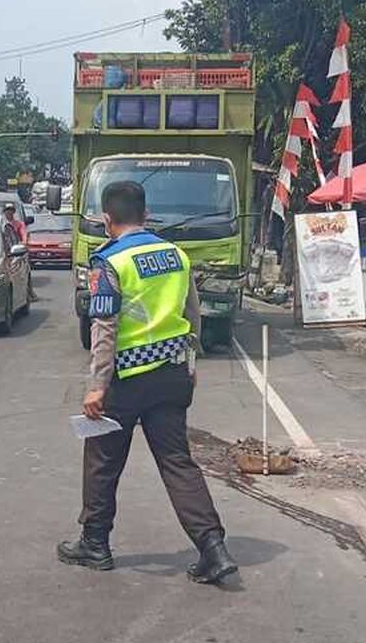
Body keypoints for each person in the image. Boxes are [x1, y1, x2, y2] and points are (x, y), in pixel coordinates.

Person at [56, 180, 237, 584]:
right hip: (172, 374)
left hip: (125, 378)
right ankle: (213, 547)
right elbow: (194, 314)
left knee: (102, 459)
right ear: (145, 214)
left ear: (107, 219)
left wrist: (97, 385)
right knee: (177, 463)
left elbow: (104, 327)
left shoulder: (108, 262)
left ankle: (95, 543)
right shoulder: (175, 254)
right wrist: (190, 362)